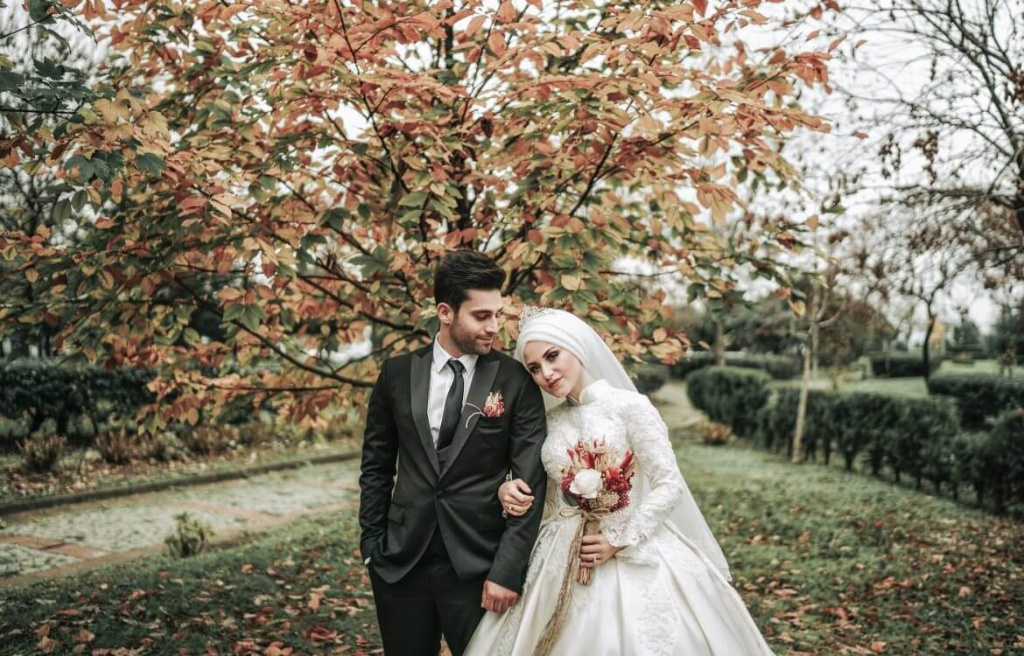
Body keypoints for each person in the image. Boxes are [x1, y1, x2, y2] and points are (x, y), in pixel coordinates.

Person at [464, 307, 776, 656]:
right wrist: (507, 488)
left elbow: (669, 484)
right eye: (534, 368)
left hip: (631, 545)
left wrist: (618, 540)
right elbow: (548, 494)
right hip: (559, 551)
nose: (546, 373)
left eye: (553, 357)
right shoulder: (549, 421)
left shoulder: (631, 407)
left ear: (578, 348)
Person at [358, 251, 548, 656]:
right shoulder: (396, 374)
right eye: (481, 316)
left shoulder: (515, 381)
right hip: (400, 563)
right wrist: (372, 546)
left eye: (498, 315)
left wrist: (507, 570)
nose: (494, 327)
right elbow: (376, 466)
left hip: (479, 569)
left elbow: (531, 481)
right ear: (445, 312)